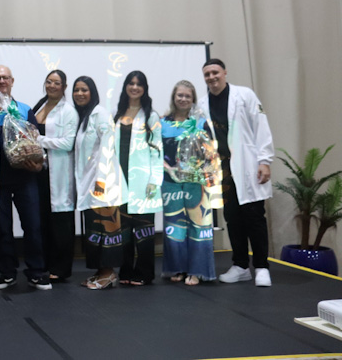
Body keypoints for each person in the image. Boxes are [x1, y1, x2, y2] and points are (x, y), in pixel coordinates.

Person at [198, 58, 274, 287]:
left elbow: (261, 126)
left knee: (254, 217)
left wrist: (264, 160)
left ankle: (261, 267)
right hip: (222, 170)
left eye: (215, 72)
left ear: (225, 72)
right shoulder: (202, 104)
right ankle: (240, 266)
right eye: (207, 74)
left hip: (248, 165)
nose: (212, 77)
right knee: (232, 218)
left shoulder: (244, 95)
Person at [0, 65, 50, 291]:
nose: (1, 81)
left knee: (32, 225)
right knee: (3, 228)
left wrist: (39, 163)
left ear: (12, 81)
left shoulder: (24, 109)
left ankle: (36, 272)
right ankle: (7, 273)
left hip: (26, 177)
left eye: (5, 77)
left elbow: (36, 140)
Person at [161, 80, 223, 285]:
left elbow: (210, 153)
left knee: (199, 226)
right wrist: (169, 169)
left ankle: (197, 271)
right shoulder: (163, 123)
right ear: (173, 97)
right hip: (170, 181)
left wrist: (204, 173)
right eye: (180, 95)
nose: (183, 99)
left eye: (187, 96)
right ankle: (178, 268)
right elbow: (155, 151)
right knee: (174, 227)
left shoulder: (200, 122)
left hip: (196, 182)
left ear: (193, 99)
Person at [72, 76, 124, 290]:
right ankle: (100, 271)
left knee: (106, 230)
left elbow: (107, 148)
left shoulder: (100, 113)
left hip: (102, 183)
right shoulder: (84, 117)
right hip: (89, 184)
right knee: (94, 230)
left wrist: (101, 180)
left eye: (84, 89)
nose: (79, 94)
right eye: (76, 90)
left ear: (92, 92)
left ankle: (109, 273)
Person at [114, 71, 162, 286]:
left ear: (144, 88)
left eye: (139, 84)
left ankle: (144, 273)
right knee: (123, 231)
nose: (134, 87)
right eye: (131, 83)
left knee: (144, 231)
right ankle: (125, 271)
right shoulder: (117, 114)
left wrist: (154, 180)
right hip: (120, 180)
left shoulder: (151, 116)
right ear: (125, 86)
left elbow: (157, 150)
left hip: (143, 181)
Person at [32, 70, 77, 282]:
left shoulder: (68, 111)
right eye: (49, 81)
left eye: (57, 83)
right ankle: (45, 264)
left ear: (64, 87)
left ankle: (61, 268)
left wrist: (38, 140)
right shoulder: (39, 106)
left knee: (61, 222)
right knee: (43, 220)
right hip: (39, 171)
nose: (52, 85)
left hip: (59, 172)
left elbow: (68, 143)